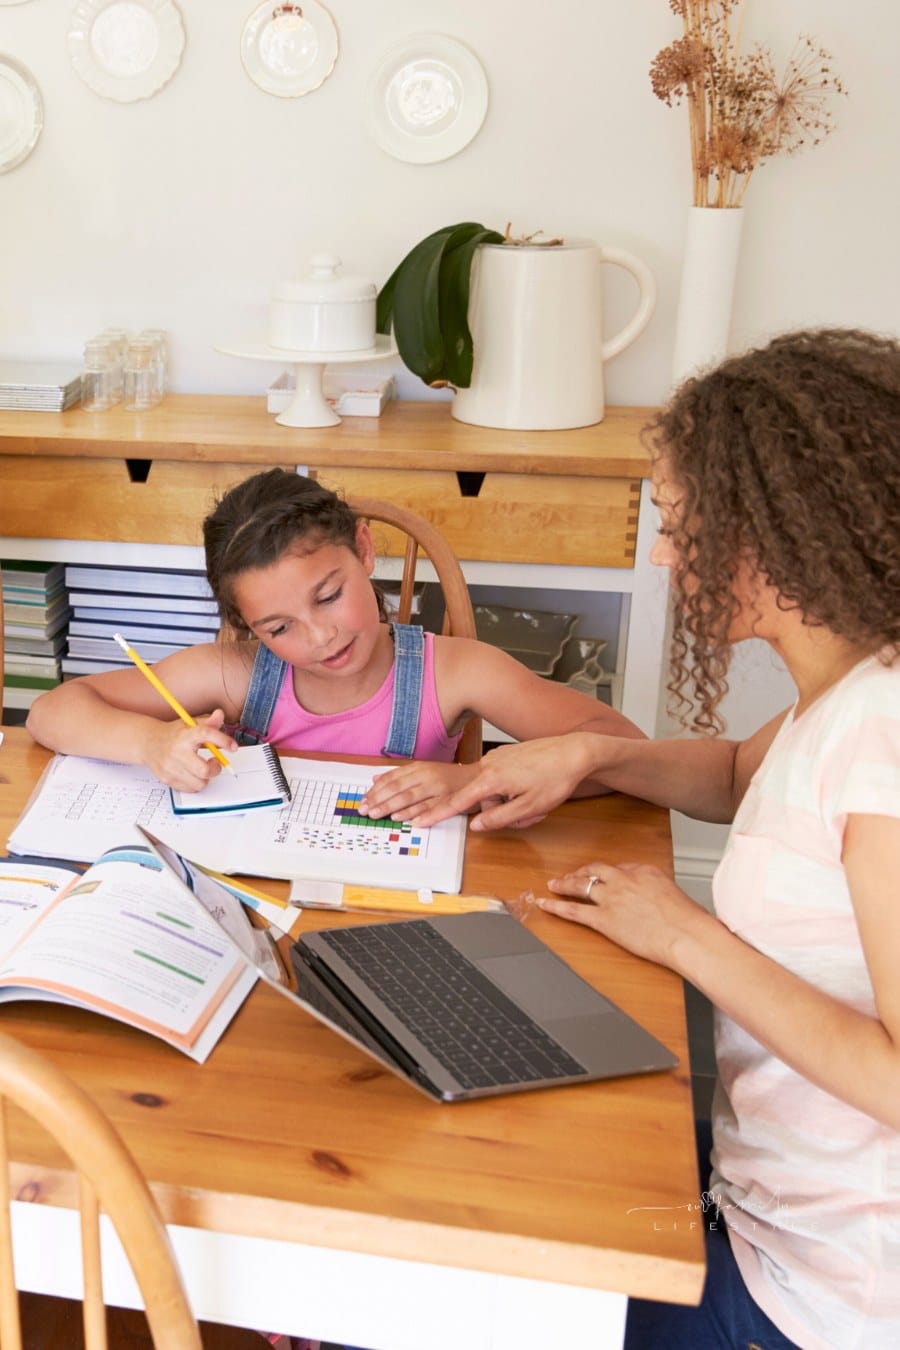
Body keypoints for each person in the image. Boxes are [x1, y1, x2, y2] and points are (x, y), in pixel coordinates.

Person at [402, 328, 900, 1349]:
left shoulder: (883, 732)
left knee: (437, 1264)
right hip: (760, 1201)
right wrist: (593, 757)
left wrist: (681, 934)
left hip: (815, 1299)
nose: (665, 556)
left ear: (774, 534)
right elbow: (734, 775)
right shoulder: (854, 684)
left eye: (676, 526)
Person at [26, 469, 642, 813]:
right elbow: (52, 711)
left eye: (328, 596)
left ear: (364, 550)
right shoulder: (235, 672)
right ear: (247, 627)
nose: (320, 636)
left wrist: (476, 779)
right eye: (279, 628)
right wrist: (151, 742)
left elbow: (623, 752)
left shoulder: (455, 672)